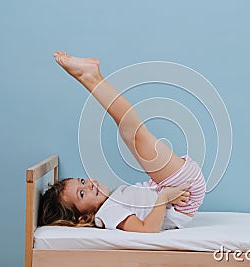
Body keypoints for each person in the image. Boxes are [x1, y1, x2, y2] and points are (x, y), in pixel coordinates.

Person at [39, 51, 206, 233]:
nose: (89, 184)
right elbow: (147, 229)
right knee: (133, 133)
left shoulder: (109, 203)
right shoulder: (107, 214)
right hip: (182, 192)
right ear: (82, 217)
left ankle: (91, 76)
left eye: (82, 181)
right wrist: (164, 197)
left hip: (174, 189)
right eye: (82, 193)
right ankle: (90, 77)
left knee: (131, 132)